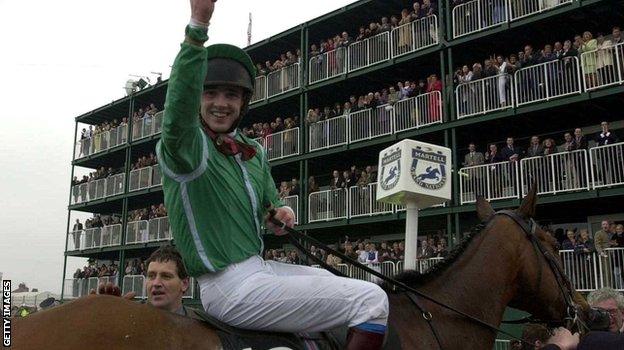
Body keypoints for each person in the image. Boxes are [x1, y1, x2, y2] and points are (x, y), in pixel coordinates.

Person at [156, 1, 389, 348]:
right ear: (198, 99)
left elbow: (270, 207)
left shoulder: (254, 151)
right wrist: (197, 26)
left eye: (231, 95)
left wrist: (280, 214)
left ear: (243, 103)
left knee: (352, 289)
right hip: (227, 287)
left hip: (259, 270)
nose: (221, 103)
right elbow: (176, 111)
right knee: (371, 301)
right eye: (211, 93)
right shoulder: (189, 148)